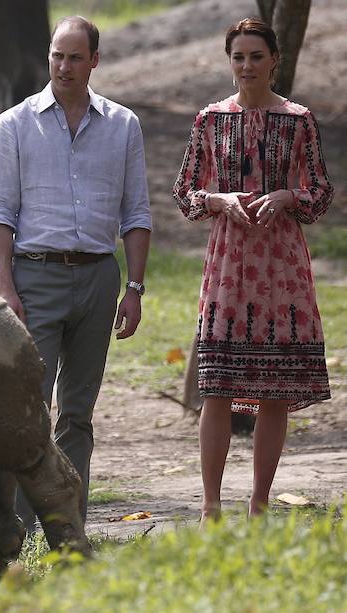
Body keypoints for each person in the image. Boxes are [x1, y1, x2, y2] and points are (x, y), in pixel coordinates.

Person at [0, 15, 152, 527]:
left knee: (78, 414)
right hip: (35, 278)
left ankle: (68, 527)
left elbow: (137, 213)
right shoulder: (13, 125)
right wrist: (6, 288)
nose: (64, 65)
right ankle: (18, 527)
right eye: (58, 55)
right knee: (29, 408)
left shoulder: (123, 126)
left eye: (76, 57)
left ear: (94, 61)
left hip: (99, 279)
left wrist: (134, 288)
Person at [172, 18, 333, 524]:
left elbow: (322, 192)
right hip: (228, 261)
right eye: (238, 57)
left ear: (274, 60)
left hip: (281, 262)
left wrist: (289, 196)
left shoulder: (298, 120)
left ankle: (260, 503)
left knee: (274, 389)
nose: (247, 66)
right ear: (230, 61)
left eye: (256, 57)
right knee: (217, 384)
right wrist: (217, 199)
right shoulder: (209, 120)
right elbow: (184, 193)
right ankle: (210, 505)